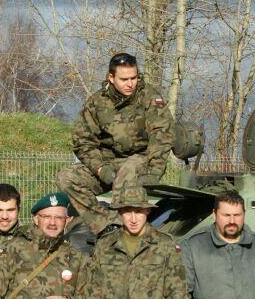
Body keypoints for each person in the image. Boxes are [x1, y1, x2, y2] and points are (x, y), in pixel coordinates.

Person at [57, 52, 174, 236]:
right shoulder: (96, 103)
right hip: (107, 164)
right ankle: (105, 226)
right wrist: (100, 169)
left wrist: (154, 172)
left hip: (141, 160)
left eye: (134, 78)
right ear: (111, 78)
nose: (130, 84)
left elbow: (162, 136)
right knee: (67, 177)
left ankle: (124, 232)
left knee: (128, 169)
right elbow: (83, 142)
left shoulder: (149, 97)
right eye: (124, 79)